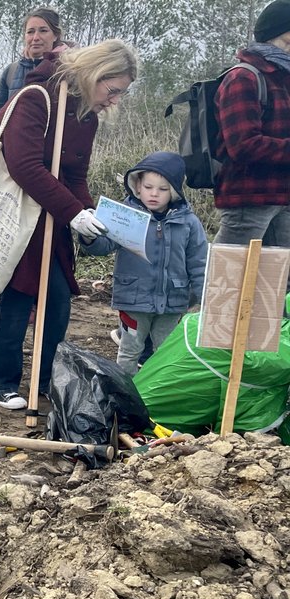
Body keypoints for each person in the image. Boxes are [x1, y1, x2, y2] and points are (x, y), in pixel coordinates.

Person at [0, 39, 139, 410]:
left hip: (53, 214)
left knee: (57, 299)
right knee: (20, 293)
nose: (114, 100)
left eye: (121, 94)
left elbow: (75, 173)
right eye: (112, 90)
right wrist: (74, 213)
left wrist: (88, 215)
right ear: (95, 73)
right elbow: (25, 166)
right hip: (20, 213)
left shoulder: (86, 115)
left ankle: (46, 378)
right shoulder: (38, 97)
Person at [80, 152, 207, 375]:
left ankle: (157, 395)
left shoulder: (189, 222)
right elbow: (104, 246)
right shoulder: (126, 216)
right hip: (133, 299)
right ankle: (127, 395)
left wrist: (206, 298)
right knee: (129, 351)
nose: (154, 194)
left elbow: (199, 263)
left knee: (165, 352)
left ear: (175, 192)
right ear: (138, 186)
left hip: (172, 302)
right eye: (149, 187)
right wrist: (89, 236)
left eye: (163, 189)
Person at [213, 0, 290, 257]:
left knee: (276, 285)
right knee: (229, 279)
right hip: (247, 199)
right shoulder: (243, 77)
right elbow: (243, 146)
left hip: (284, 196)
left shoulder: (284, 79)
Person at [0, 7, 64, 123]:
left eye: (43, 31)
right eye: (30, 32)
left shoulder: (66, 71)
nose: (36, 38)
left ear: (55, 35)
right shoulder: (11, 72)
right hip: (14, 141)